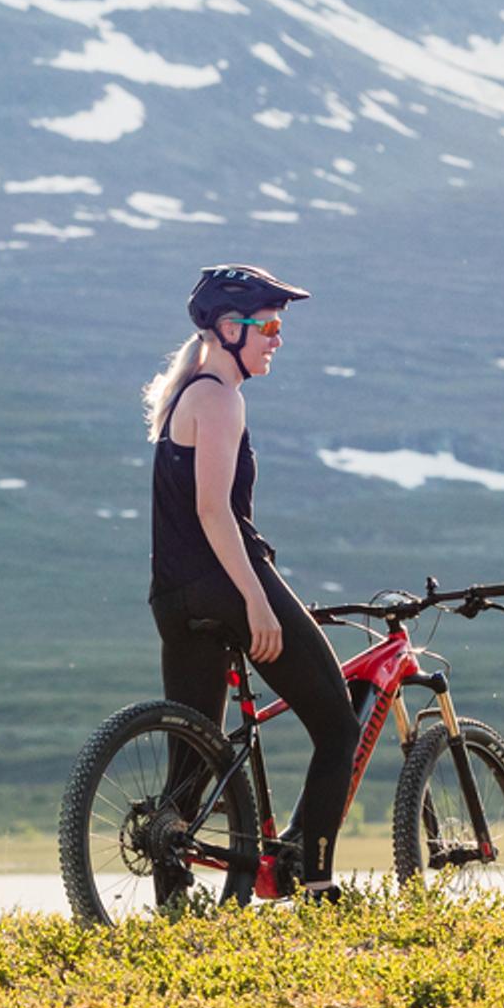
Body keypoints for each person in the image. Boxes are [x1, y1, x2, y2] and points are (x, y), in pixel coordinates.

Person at [147, 264, 358, 891]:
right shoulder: (218, 396)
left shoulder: (186, 395)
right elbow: (215, 512)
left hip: (173, 597)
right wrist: (257, 603)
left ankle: (170, 896)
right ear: (228, 328)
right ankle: (316, 885)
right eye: (268, 326)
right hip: (227, 582)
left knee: (192, 757)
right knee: (337, 725)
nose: (277, 339)